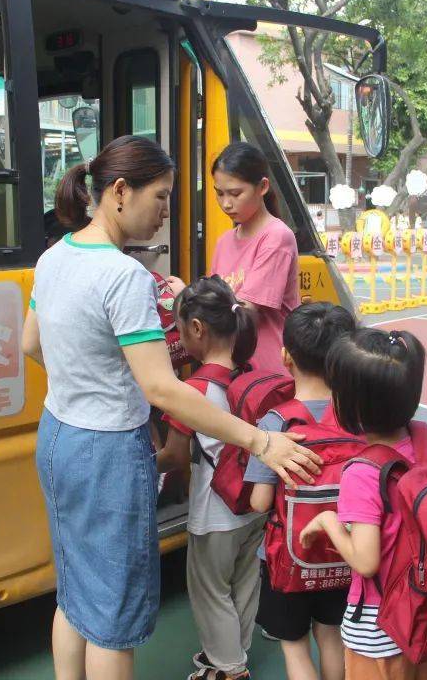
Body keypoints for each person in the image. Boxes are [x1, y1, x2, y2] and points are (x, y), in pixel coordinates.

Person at [20, 135, 321, 680]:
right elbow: (161, 389)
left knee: (76, 592)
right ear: (118, 192)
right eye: (159, 197)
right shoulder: (124, 276)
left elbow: (30, 345)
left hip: (57, 436)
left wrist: (85, 379)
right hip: (107, 449)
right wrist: (260, 441)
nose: (165, 211)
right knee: (112, 617)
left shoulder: (54, 257)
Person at [299, 328, 427, 680]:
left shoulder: (363, 471)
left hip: (382, 621)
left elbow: (365, 559)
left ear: (352, 403)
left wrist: (328, 521)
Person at [155, 276, 266, 680]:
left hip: (214, 512)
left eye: (180, 330)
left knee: (210, 590)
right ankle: (234, 651)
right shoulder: (249, 375)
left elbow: (173, 456)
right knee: (245, 582)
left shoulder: (193, 390)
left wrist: (144, 464)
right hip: (253, 506)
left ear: (197, 330)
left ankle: (229, 668)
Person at [244, 303, 358, 680]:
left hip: (287, 560)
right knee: (332, 637)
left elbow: (260, 501)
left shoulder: (276, 423)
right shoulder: (358, 419)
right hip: (345, 552)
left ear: (285, 356)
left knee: (294, 648)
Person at [207, 142, 300, 374]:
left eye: (236, 193)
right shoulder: (224, 241)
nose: (226, 203)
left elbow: (244, 311)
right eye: (219, 193)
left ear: (262, 187)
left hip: (269, 373)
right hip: (234, 369)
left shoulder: (276, 237)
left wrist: (187, 298)